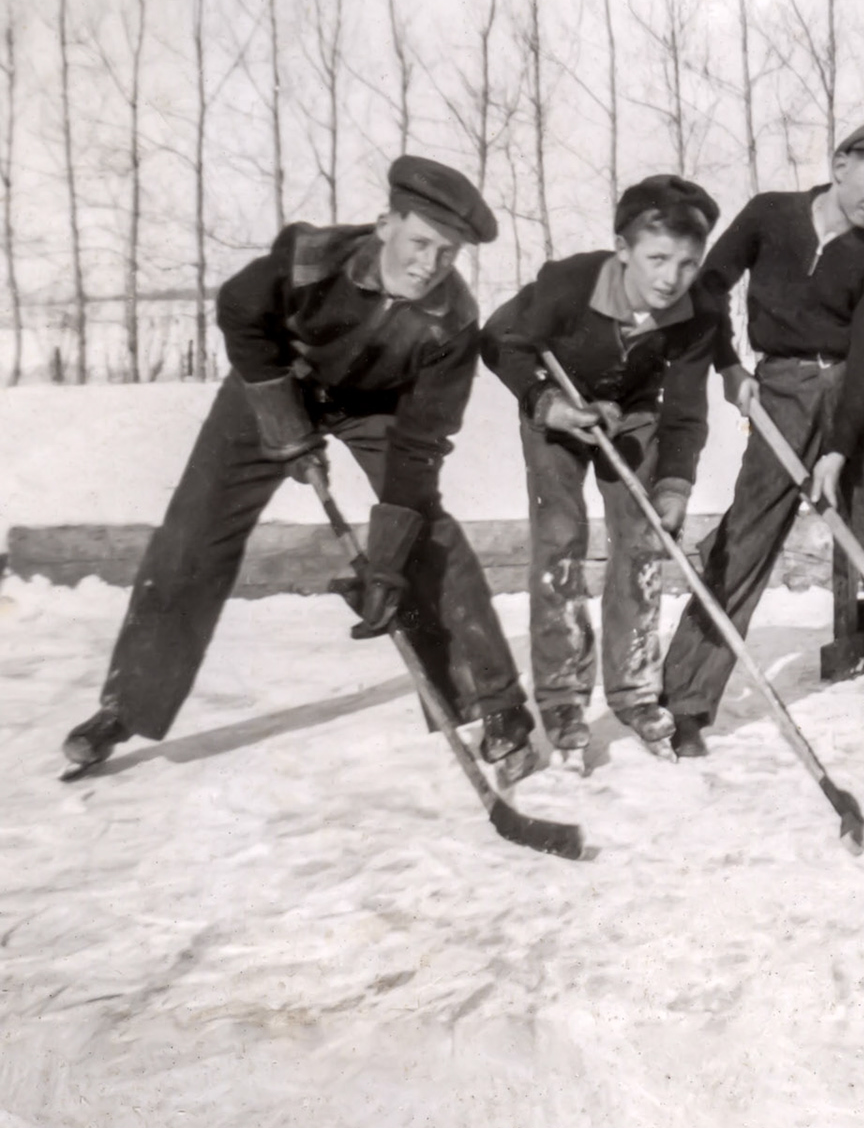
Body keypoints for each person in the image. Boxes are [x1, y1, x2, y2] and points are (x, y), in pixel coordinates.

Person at [61, 157, 538, 779]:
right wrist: (284, 419)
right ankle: (124, 707)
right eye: (420, 242)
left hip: (378, 406)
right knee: (195, 534)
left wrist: (388, 563)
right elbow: (239, 310)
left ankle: (498, 707)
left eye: (448, 254)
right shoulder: (310, 259)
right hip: (278, 380)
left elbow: (421, 445)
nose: (430, 264)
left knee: (429, 534)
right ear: (385, 224)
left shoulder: (453, 321)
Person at [659, 112, 864, 757]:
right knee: (744, 541)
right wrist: (728, 363)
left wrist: (840, 449)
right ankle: (685, 703)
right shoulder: (769, 215)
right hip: (779, 390)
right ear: (840, 165)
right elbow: (707, 290)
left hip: (857, 397)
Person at [480, 175, 726, 766]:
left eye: (688, 264)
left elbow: (688, 411)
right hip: (557, 409)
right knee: (561, 540)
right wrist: (548, 403)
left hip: (634, 411)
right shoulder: (569, 283)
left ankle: (635, 689)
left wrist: (674, 485)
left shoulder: (696, 313)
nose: (671, 277)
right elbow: (499, 340)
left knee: (643, 539)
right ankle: (563, 697)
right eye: (657, 258)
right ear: (624, 250)